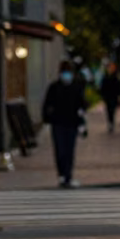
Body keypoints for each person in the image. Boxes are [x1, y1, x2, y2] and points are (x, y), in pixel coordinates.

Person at [42, 60, 86, 188]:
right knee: (61, 150)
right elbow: (47, 105)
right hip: (59, 123)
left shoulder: (76, 87)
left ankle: (67, 175)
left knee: (69, 150)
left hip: (70, 123)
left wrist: (81, 121)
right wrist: (48, 118)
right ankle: (63, 174)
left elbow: (81, 105)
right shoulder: (55, 87)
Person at [100, 62, 120, 133]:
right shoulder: (105, 77)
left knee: (112, 110)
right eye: (110, 67)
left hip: (114, 97)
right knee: (108, 110)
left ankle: (111, 123)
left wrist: (119, 96)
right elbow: (102, 87)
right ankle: (110, 122)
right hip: (107, 97)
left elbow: (119, 87)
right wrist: (103, 96)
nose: (111, 69)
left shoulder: (116, 77)